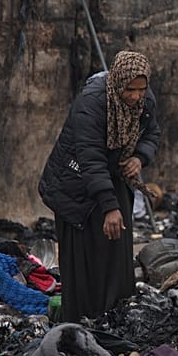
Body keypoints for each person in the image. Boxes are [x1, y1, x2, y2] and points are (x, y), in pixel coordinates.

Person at [38, 50, 160, 322]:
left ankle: (112, 318)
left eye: (141, 89)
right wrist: (109, 207)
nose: (135, 96)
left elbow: (152, 133)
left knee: (116, 254)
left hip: (112, 177)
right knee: (84, 258)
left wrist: (140, 157)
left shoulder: (145, 101)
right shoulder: (91, 103)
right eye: (130, 89)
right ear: (117, 82)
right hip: (75, 183)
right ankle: (81, 320)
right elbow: (90, 158)